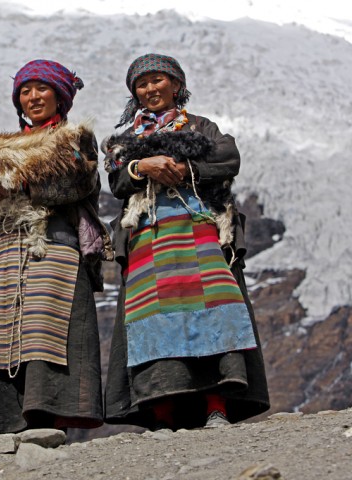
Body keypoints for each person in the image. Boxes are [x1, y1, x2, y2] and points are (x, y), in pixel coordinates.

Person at [0, 59, 113, 435]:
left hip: (53, 246)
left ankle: (45, 420)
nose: (33, 97)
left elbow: (75, 185)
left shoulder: (75, 140)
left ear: (60, 95)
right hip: (3, 249)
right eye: (25, 90)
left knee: (45, 328)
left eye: (42, 88)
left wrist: (15, 185)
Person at [103, 53, 269, 431]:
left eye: (157, 81)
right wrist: (139, 166)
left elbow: (229, 158)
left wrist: (185, 168)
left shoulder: (201, 126)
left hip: (199, 229)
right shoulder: (126, 141)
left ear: (176, 85)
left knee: (214, 307)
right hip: (149, 234)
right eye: (142, 85)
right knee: (154, 317)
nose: (150, 89)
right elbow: (116, 183)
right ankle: (163, 415)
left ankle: (217, 408)